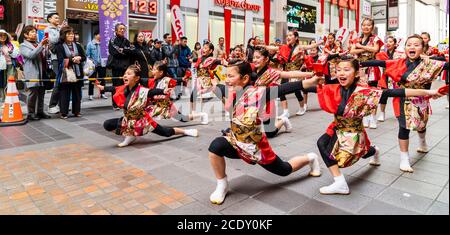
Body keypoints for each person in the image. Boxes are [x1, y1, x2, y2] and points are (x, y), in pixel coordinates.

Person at [316, 58, 446, 195]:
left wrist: (429, 92)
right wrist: (309, 81)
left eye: (346, 70)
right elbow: (310, 87)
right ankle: (340, 183)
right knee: (322, 143)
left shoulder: (366, 92)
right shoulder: (332, 88)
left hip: (354, 134)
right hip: (336, 128)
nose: (341, 73)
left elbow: (398, 92)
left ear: (356, 74)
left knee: (363, 153)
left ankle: (374, 151)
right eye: (338, 70)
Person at [207, 60, 322, 205]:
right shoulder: (229, 91)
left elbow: (286, 88)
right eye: (226, 76)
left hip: (256, 148)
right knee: (215, 147)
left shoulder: (258, 94)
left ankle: (311, 158)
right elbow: (213, 86)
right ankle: (222, 184)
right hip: (236, 141)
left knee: (285, 170)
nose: (227, 80)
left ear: (245, 78)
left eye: (231, 76)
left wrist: (311, 80)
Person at [360, 34, 448, 173]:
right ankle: (404, 159)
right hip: (403, 99)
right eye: (409, 44)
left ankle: (422, 142)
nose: (412, 47)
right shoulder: (399, 62)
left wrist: (433, 60)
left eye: (416, 45)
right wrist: (358, 63)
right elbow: (380, 63)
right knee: (403, 127)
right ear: (405, 48)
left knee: (421, 125)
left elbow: (446, 63)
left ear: (423, 48)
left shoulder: (430, 63)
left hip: (422, 101)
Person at [97, 65, 199, 147]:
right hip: (129, 120)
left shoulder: (142, 90)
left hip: (143, 121)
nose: (125, 75)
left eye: (128, 74)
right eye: (125, 74)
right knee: (107, 124)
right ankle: (131, 135)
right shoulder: (124, 88)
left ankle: (186, 131)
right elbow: (114, 89)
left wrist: (163, 91)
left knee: (165, 132)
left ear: (137, 78)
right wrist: (103, 88)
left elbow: (152, 92)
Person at [251, 48, 316, 138]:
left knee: (270, 133)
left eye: (258, 57)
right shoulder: (250, 68)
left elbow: (290, 74)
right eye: (254, 57)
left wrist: (310, 74)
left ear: (266, 59)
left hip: (266, 103)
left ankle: (283, 120)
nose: (255, 60)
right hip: (253, 103)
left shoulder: (271, 72)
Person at [262, 30, 318, 118]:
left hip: (296, 72)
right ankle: (285, 111)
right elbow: (275, 48)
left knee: (296, 91)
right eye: (287, 35)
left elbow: (311, 46)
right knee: (280, 91)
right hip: (286, 72)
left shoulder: (300, 47)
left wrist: (321, 42)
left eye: (290, 35)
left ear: (296, 38)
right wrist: (264, 46)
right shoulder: (284, 47)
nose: (288, 37)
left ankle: (302, 107)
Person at [349, 17, 384, 129]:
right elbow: (352, 51)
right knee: (362, 93)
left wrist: (361, 47)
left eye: (369, 25)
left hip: (372, 68)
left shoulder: (376, 38)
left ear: (372, 27)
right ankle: (365, 117)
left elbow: (375, 50)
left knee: (373, 94)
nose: (366, 27)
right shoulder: (358, 39)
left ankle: (373, 118)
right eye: (364, 25)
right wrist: (364, 48)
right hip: (360, 69)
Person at [20, 26, 51, 121]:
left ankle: (40, 111)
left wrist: (46, 48)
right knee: (32, 93)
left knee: (41, 92)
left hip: (42, 71)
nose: (35, 34)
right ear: (26, 34)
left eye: (35, 32)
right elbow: (31, 55)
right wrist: (41, 45)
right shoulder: (23, 45)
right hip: (32, 71)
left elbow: (45, 56)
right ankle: (31, 113)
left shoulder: (37, 43)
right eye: (32, 32)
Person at [55, 26, 86, 119]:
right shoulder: (59, 46)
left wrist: (80, 58)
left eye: (72, 34)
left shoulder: (78, 45)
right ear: (64, 35)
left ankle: (77, 111)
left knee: (77, 93)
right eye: (69, 34)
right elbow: (61, 60)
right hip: (66, 72)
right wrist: (73, 60)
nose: (71, 35)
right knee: (65, 93)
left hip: (78, 72)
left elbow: (84, 57)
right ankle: (64, 112)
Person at [375, 36, 405, 122]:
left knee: (397, 96)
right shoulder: (382, 54)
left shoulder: (399, 54)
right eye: (387, 42)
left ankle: (399, 113)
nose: (388, 43)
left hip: (395, 78)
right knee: (383, 95)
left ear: (395, 44)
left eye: (391, 42)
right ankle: (382, 113)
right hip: (385, 77)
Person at [108, 23, 132, 110]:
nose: (122, 30)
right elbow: (115, 52)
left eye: (123, 29)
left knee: (125, 86)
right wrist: (125, 51)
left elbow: (131, 51)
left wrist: (124, 51)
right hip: (116, 67)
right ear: (116, 30)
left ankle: (123, 102)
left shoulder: (126, 40)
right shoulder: (112, 40)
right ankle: (115, 104)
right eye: (120, 29)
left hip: (126, 67)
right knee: (116, 86)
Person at [46, 13, 63, 114]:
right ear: (49, 19)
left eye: (58, 17)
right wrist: (61, 31)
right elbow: (53, 40)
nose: (58, 19)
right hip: (55, 58)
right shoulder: (48, 30)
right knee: (58, 82)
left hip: (63, 57)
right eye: (56, 18)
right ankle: (52, 105)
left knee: (63, 82)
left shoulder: (59, 29)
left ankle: (61, 104)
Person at [86, 31, 107, 100]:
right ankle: (90, 94)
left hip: (102, 64)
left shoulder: (103, 44)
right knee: (92, 79)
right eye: (99, 34)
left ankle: (102, 93)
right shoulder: (90, 44)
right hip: (93, 65)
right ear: (95, 35)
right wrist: (90, 61)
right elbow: (87, 55)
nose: (100, 36)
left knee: (102, 79)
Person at [0, 30, 19, 103]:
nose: (3, 37)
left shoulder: (11, 45)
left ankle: (9, 100)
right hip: (1, 67)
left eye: (4, 35)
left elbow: (17, 54)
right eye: (1, 35)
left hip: (10, 65)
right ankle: (3, 99)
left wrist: (11, 52)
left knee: (10, 82)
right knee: (2, 83)